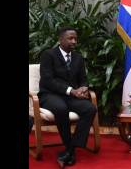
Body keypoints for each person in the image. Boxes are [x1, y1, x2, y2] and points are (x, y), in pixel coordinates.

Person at [38, 27, 97, 168]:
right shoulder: (48, 55)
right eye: (70, 38)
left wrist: (84, 87)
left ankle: (70, 150)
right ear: (60, 40)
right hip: (50, 95)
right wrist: (71, 91)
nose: (74, 41)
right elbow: (48, 80)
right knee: (61, 108)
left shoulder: (78, 57)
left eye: (75, 39)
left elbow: (83, 79)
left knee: (90, 108)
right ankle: (70, 149)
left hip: (72, 96)